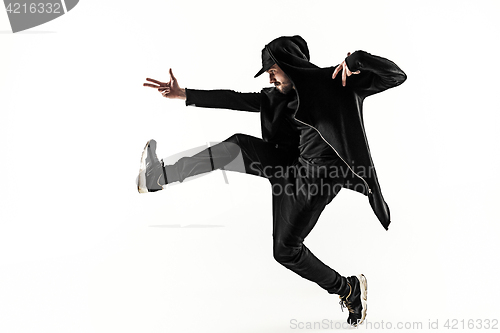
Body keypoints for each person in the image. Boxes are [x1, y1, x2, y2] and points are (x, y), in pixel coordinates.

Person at [139, 35, 406, 327]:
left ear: (290, 64)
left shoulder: (337, 82)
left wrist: (358, 60)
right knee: (235, 147)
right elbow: (234, 98)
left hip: (316, 183)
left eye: (273, 68)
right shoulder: (276, 97)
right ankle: (157, 176)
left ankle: (348, 289)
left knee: (285, 251)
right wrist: (185, 94)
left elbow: (396, 76)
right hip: (287, 167)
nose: (269, 76)